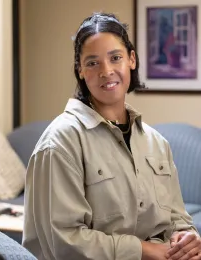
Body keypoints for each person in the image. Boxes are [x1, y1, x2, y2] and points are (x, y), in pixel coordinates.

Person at [22, 12, 201, 260]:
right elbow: (63, 242)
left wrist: (187, 238)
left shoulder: (157, 143)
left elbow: (177, 218)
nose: (106, 71)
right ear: (80, 70)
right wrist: (144, 250)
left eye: (115, 58)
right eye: (93, 62)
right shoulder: (60, 142)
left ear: (132, 60)